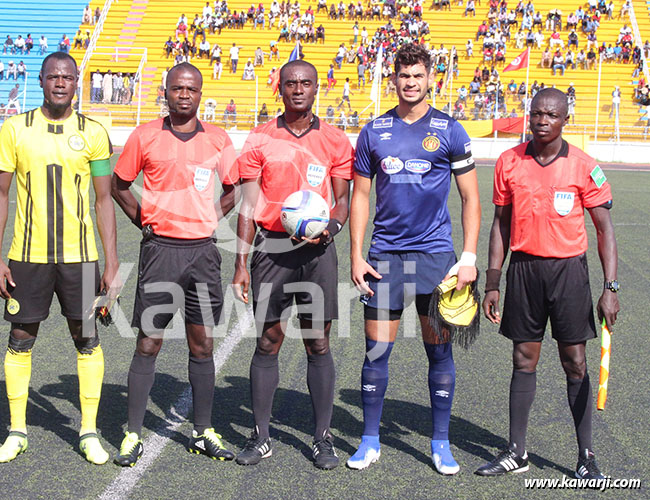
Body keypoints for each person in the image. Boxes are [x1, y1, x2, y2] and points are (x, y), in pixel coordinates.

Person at [347, 43, 480, 474]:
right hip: (384, 256)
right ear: (394, 79)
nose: (410, 83)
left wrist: (468, 257)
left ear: (430, 79)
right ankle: (370, 440)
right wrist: (355, 254)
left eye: (417, 75)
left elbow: (471, 199)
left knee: (439, 353)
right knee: (375, 352)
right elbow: (360, 196)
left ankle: (441, 443)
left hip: (435, 258)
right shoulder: (374, 131)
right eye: (404, 76)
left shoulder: (450, 130)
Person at [475, 88, 618, 480]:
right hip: (524, 271)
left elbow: (605, 230)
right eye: (536, 113)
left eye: (551, 115)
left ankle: (586, 457)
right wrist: (492, 282)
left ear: (565, 120)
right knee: (523, 358)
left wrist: (610, 288)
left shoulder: (584, 166)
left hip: (569, 273)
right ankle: (516, 452)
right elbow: (500, 224)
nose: (542, 121)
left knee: (575, 361)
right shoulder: (509, 162)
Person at [0, 52, 119, 465]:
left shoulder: (94, 132)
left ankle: (89, 431)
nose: (60, 83)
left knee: (87, 338)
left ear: (77, 82)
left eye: (68, 77)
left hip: (81, 257)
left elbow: (104, 200)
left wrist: (112, 262)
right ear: (41, 80)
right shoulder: (15, 128)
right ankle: (17, 431)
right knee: (20, 339)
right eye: (53, 77)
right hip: (27, 256)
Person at [112, 62, 239, 467]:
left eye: (192, 89)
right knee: (149, 341)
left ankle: (202, 432)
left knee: (202, 343)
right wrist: (145, 221)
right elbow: (119, 185)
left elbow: (234, 190)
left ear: (201, 94)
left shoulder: (218, 139)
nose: (184, 95)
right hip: (160, 252)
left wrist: (207, 218)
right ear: (166, 92)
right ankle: (133, 433)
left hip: (202, 253)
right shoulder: (145, 135)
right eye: (177, 88)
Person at [231, 59, 354, 470]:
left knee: (318, 342)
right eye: (290, 83)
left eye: (306, 83)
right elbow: (248, 205)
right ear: (279, 89)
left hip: (318, 252)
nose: (298, 89)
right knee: (268, 341)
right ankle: (261, 436)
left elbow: (342, 200)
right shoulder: (260, 138)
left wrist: (331, 228)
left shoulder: (335, 140)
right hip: (272, 250)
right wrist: (241, 263)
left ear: (317, 88)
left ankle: (322, 437)